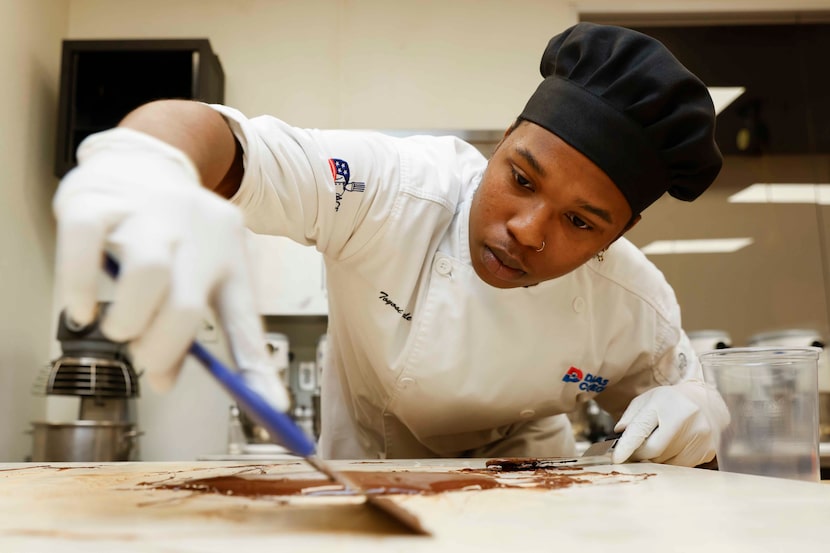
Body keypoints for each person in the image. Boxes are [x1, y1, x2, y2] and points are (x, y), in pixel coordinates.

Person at [52, 22, 729, 465]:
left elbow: (685, 406)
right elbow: (226, 140)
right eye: (520, 177)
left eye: (581, 222)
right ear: (499, 143)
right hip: (357, 486)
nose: (527, 228)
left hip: (534, 509)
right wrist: (149, 162)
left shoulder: (627, 303)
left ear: (618, 235)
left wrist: (700, 411)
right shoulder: (392, 191)